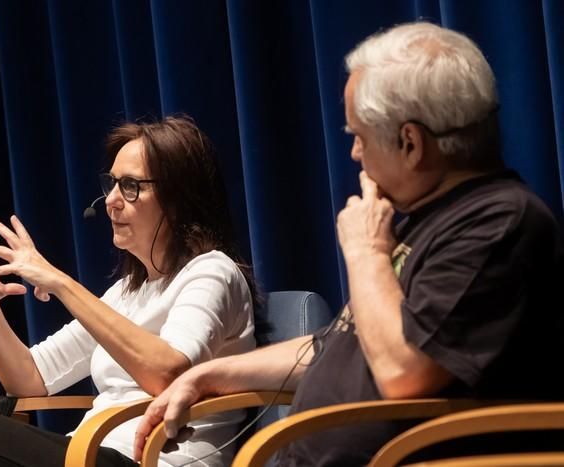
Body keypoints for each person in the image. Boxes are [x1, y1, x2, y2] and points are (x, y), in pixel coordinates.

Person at [134, 22, 564, 466]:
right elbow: (339, 345)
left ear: (411, 143)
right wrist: (208, 376)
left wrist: (366, 252)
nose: (355, 153)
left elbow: (403, 371)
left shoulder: (500, 222)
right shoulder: (420, 221)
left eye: (359, 136)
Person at [0, 116, 257, 467]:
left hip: (151, 460)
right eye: (111, 184)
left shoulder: (211, 272)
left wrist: (59, 281)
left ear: (179, 198)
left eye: (130, 187)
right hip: (87, 452)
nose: (110, 201)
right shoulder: (125, 292)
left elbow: (169, 373)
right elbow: (30, 380)